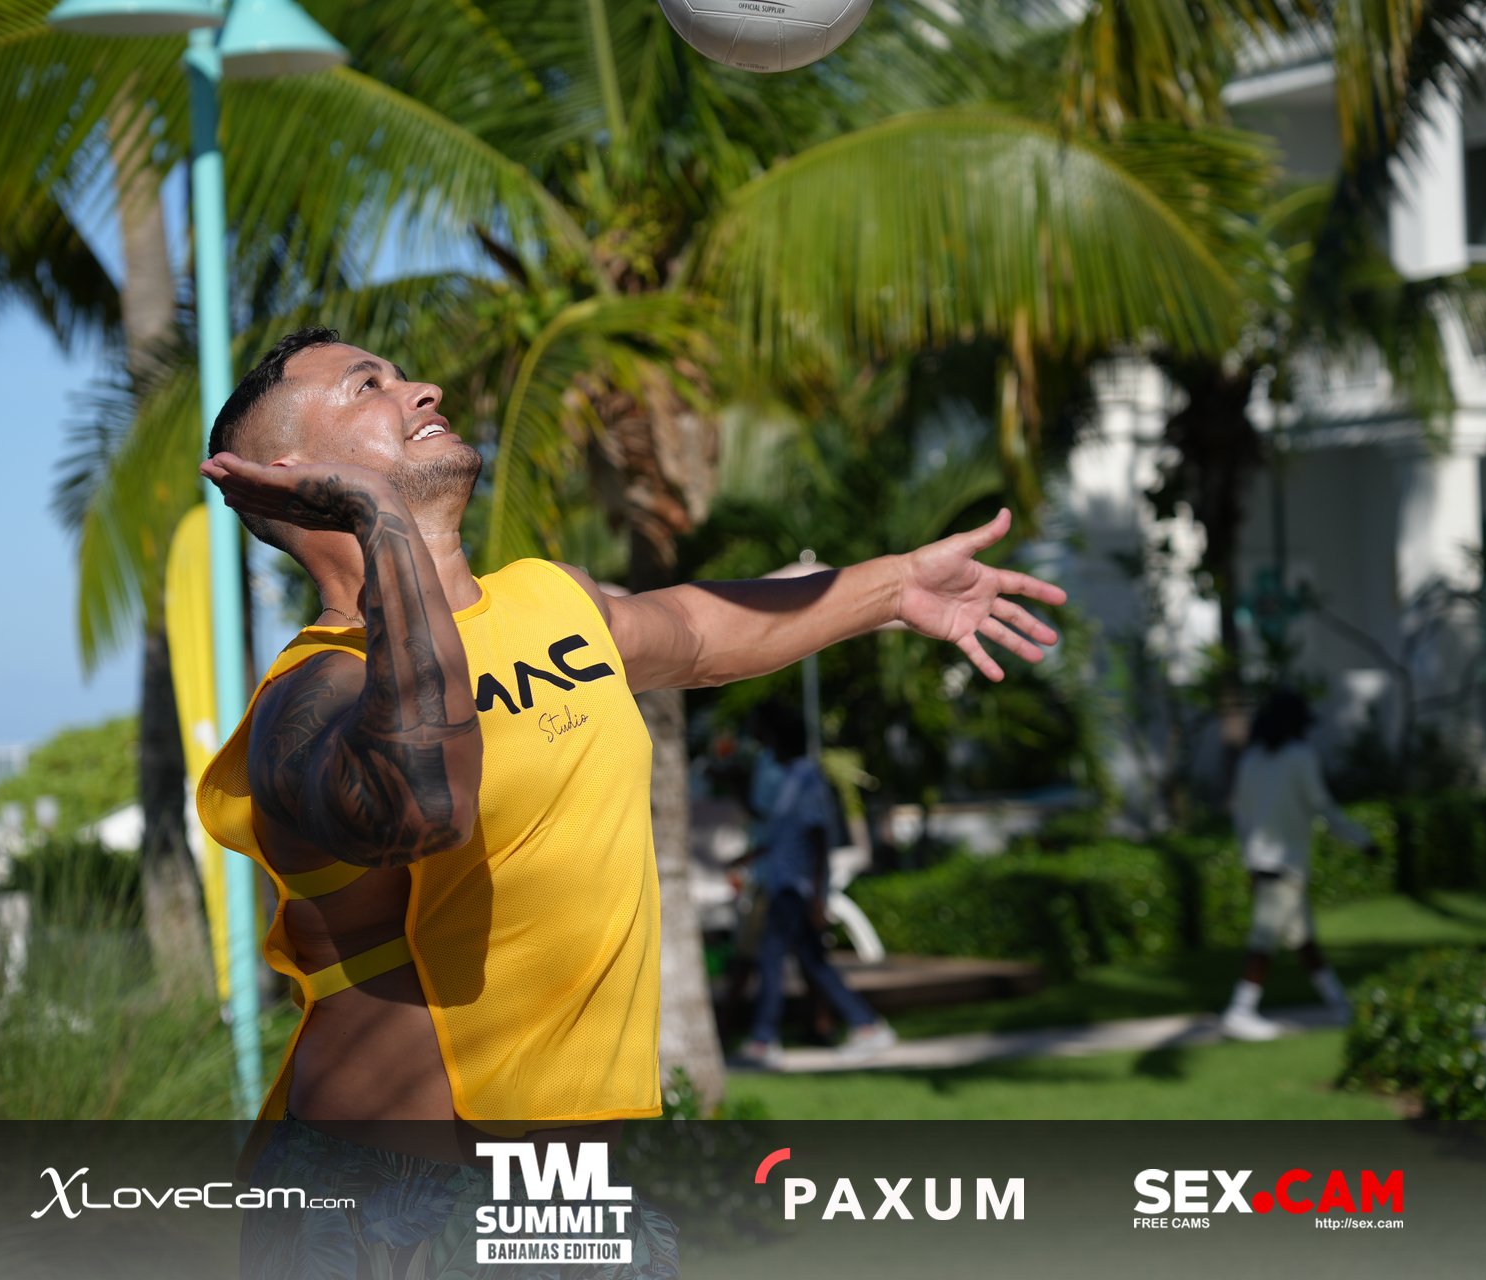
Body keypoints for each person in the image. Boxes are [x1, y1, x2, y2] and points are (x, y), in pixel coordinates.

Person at [194, 329, 1064, 1272]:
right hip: (390, 1203)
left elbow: (698, 631)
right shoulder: (312, 695)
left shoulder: (551, 603)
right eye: (371, 385)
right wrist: (382, 524)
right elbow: (424, 801)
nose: (423, 389)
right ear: (293, 475)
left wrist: (897, 586)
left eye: (404, 374)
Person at [734, 707, 895, 1068]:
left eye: (768, 739)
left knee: (772, 958)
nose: (765, 746)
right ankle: (866, 1025)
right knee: (811, 961)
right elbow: (785, 835)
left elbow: (818, 837)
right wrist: (751, 855)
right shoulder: (791, 778)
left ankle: (763, 1040)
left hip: (797, 887)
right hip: (786, 883)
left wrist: (819, 896)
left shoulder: (807, 779)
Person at [1220, 690, 1373, 1041]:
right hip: (1284, 867)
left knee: (1302, 940)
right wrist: (1363, 840)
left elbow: (1242, 818)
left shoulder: (1251, 760)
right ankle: (1239, 1011)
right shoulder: (1300, 757)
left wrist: (1249, 861)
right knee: (1264, 942)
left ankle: (1339, 1003)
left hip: (1264, 865)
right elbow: (1324, 808)